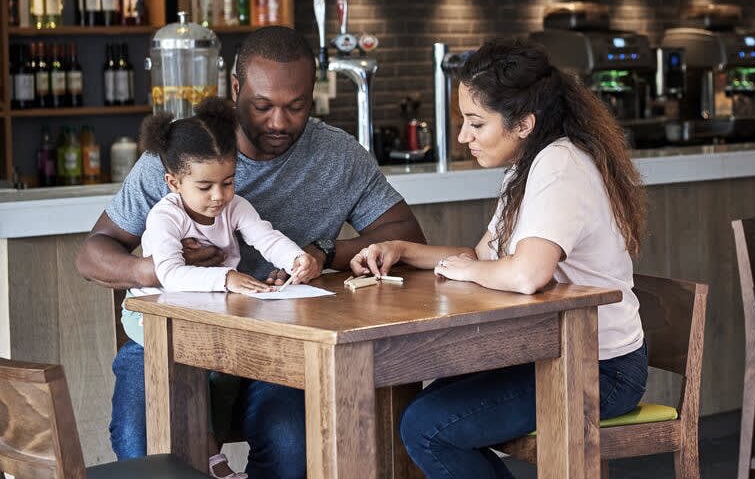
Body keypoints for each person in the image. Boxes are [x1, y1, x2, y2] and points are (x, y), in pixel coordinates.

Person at [76, 26, 426, 479]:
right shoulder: (179, 155)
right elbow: (93, 254)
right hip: (174, 342)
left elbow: (405, 234)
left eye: (295, 107)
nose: (279, 122)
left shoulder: (339, 156)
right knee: (140, 444)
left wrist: (322, 251)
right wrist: (162, 270)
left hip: (282, 344)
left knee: (293, 446)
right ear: (236, 88)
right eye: (263, 106)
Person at [352, 38, 649, 479]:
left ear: (524, 123)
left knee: (428, 427)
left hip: (599, 368)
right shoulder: (528, 164)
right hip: (548, 351)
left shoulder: (559, 165)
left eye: (475, 123)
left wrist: (470, 268)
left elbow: (527, 274)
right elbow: (483, 258)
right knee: (417, 411)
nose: (462, 136)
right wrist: (404, 251)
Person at [126, 96, 319, 479]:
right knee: (193, 370)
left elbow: (266, 237)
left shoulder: (235, 206)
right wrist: (227, 278)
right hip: (151, 314)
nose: (219, 196)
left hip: (210, 311)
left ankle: (209, 449)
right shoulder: (165, 217)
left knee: (228, 368)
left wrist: (298, 258)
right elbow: (169, 274)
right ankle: (207, 452)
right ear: (174, 182)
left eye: (228, 182)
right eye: (205, 186)